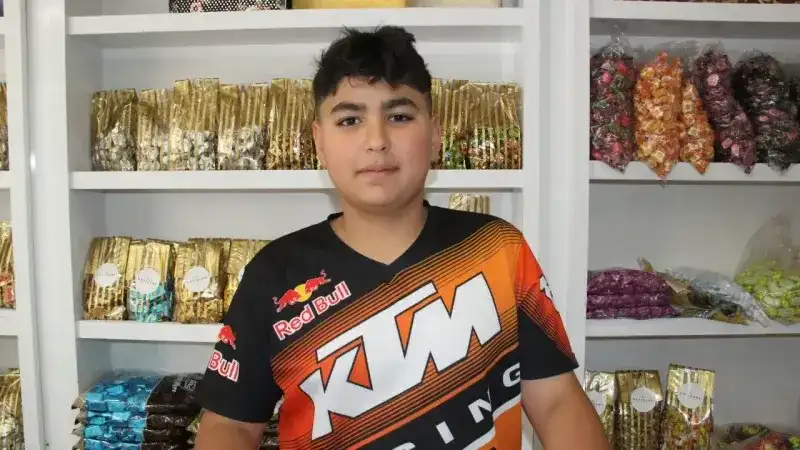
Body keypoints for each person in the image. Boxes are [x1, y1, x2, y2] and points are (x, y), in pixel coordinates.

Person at [195, 25, 608, 450]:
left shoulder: (498, 249)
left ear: (435, 134)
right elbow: (230, 425)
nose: (377, 141)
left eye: (399, 117)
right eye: (350, 120)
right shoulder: (274, 273)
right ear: (319, 142)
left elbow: (556, 401)